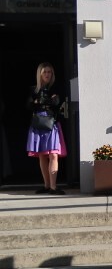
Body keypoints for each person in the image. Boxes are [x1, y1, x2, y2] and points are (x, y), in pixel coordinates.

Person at [26, 62, 67, 194]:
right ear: (40, 74)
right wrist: (46, 101)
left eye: (49, 72)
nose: (47, 74)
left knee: (53, 154)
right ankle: (47, 186)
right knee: (42, 155)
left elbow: (56, 103)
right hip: (38, 123)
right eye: (45, 72)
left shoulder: (56, 88)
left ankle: (53, 187)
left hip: (51, 123)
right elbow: (29, 105)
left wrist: (39, 102)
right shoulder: (34, 89)